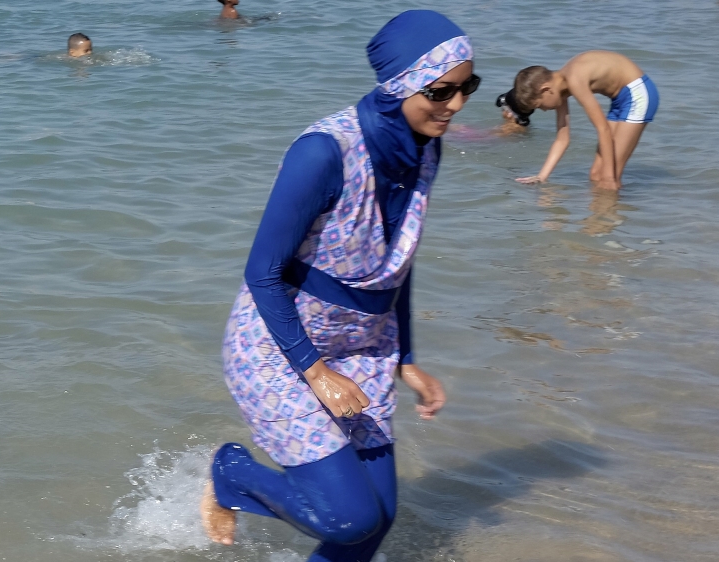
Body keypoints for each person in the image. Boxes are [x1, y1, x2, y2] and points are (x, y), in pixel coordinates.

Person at [201, 10, 476, 561]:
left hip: (363, 346)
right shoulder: (324, 152)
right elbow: (262, 273)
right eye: (441, 91)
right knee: (348, 518)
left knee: (378, 519)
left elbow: (400, 257)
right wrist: (316, 372)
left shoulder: (424, 147)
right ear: (400, 84)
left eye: (468, 87)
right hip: (278, 347)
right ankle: (231, 473)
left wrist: (407, 359)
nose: (457, 105)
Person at [512, 51, 659, 190]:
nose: (543, 110)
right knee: (596, 175)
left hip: (638, 93)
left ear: (546, 90)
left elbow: (603, 129)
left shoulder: (574, 80)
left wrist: (609, 177)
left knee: (610, 176)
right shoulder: (559, 90)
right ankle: (606, 212)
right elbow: (562, 139)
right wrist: (541, 176)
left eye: (539, 105)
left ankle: (613, 214)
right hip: (619, 100)